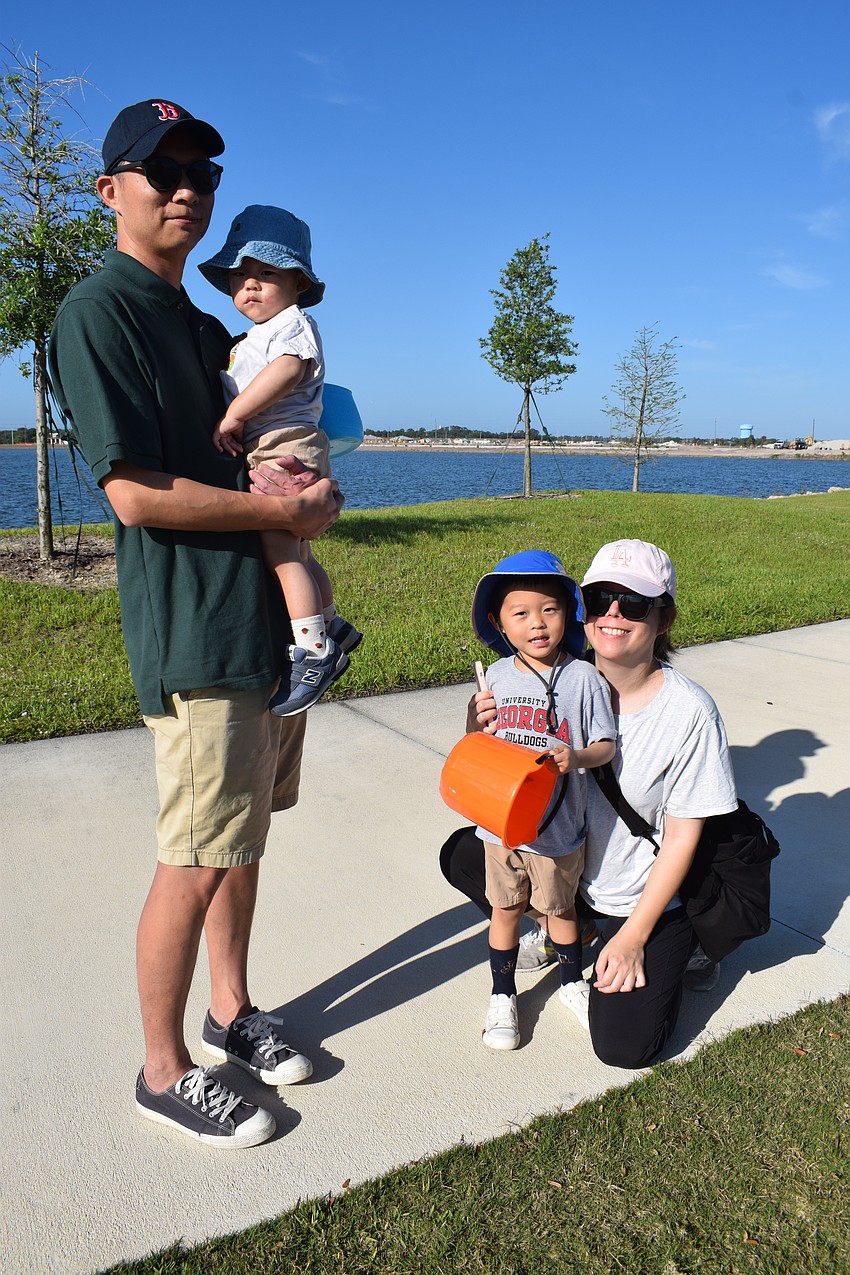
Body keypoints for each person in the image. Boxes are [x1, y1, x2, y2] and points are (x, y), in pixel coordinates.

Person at [48, 98, 343, 1148]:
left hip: (262, 624)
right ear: (110, 191)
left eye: (202, 174)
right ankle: (163, 1068)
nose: (186, 189)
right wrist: (284, 516)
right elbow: (132, 494)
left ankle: (231, 1011)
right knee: (195, 854)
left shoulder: (209, 326)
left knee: (241, 840)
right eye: (161, 171)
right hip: (196, 627)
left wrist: (309, 495)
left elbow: (275, 437)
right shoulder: (100, 312)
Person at [444, 539, 738, 1069]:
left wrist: (633, 937)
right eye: (601, 598)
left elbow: (682, 837)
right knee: (464, 855)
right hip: (564, 863)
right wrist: (476, 724)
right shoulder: (546, 673)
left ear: (664, 618)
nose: (613, 614)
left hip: (635, 895)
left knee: (623, 1046)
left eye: (635, 604)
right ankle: (569, 929)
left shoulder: (688, 712)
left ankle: (685, 943)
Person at [199, 206, 361, 716]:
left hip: (282, 443)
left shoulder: (293, 325)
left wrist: (234, 415)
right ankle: (330, 624)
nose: (250, 284)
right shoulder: (255, 335)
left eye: (266, 273)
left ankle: (314, 651)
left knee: (281, 550)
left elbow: (287, 371)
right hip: (280, 443)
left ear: (298, 283)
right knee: (302, 554)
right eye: (240, 275)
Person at [467, 552, 616, 1050]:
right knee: (505, 910)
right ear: (498, 622)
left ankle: (572, 982)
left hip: (557, 830)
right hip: (500, 829)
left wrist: (576, 758)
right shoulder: (494, 676)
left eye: (550, 609)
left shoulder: (584, 678)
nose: (537, 623)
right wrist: (473, 721)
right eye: (521, 613)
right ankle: (502, 994)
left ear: (568, 613)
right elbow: (477, 746)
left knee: (561, 911)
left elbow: (606, 746)